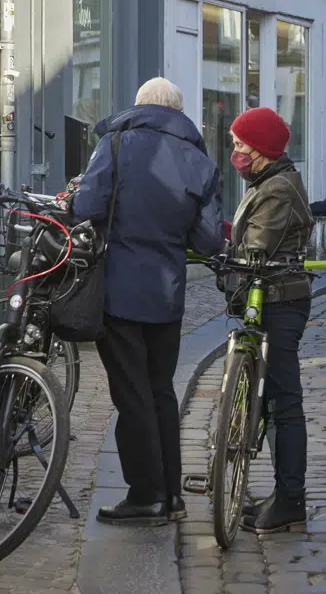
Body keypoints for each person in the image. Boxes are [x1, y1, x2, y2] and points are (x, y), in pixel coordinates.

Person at [72, 77, 224, 526]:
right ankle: (171, 494)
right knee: (160, 391)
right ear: (178, 113)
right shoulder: (199, 161)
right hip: (168, 294)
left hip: (119, 290)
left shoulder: (116, 144)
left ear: (138, 106)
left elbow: (87, 206)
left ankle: (145, 494)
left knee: (131, 395)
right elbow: (210, 238)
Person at [225, 106, 316, 533]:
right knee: (274, 403)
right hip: (268, 298)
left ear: (261, 149)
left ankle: (291, 501)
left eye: (241, 145)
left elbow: (257, 245)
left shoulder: (278, 187)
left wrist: (227, 254)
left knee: (284, 403)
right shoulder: (267, 181)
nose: (235, 153)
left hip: (280, 300)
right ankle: (282, 493)